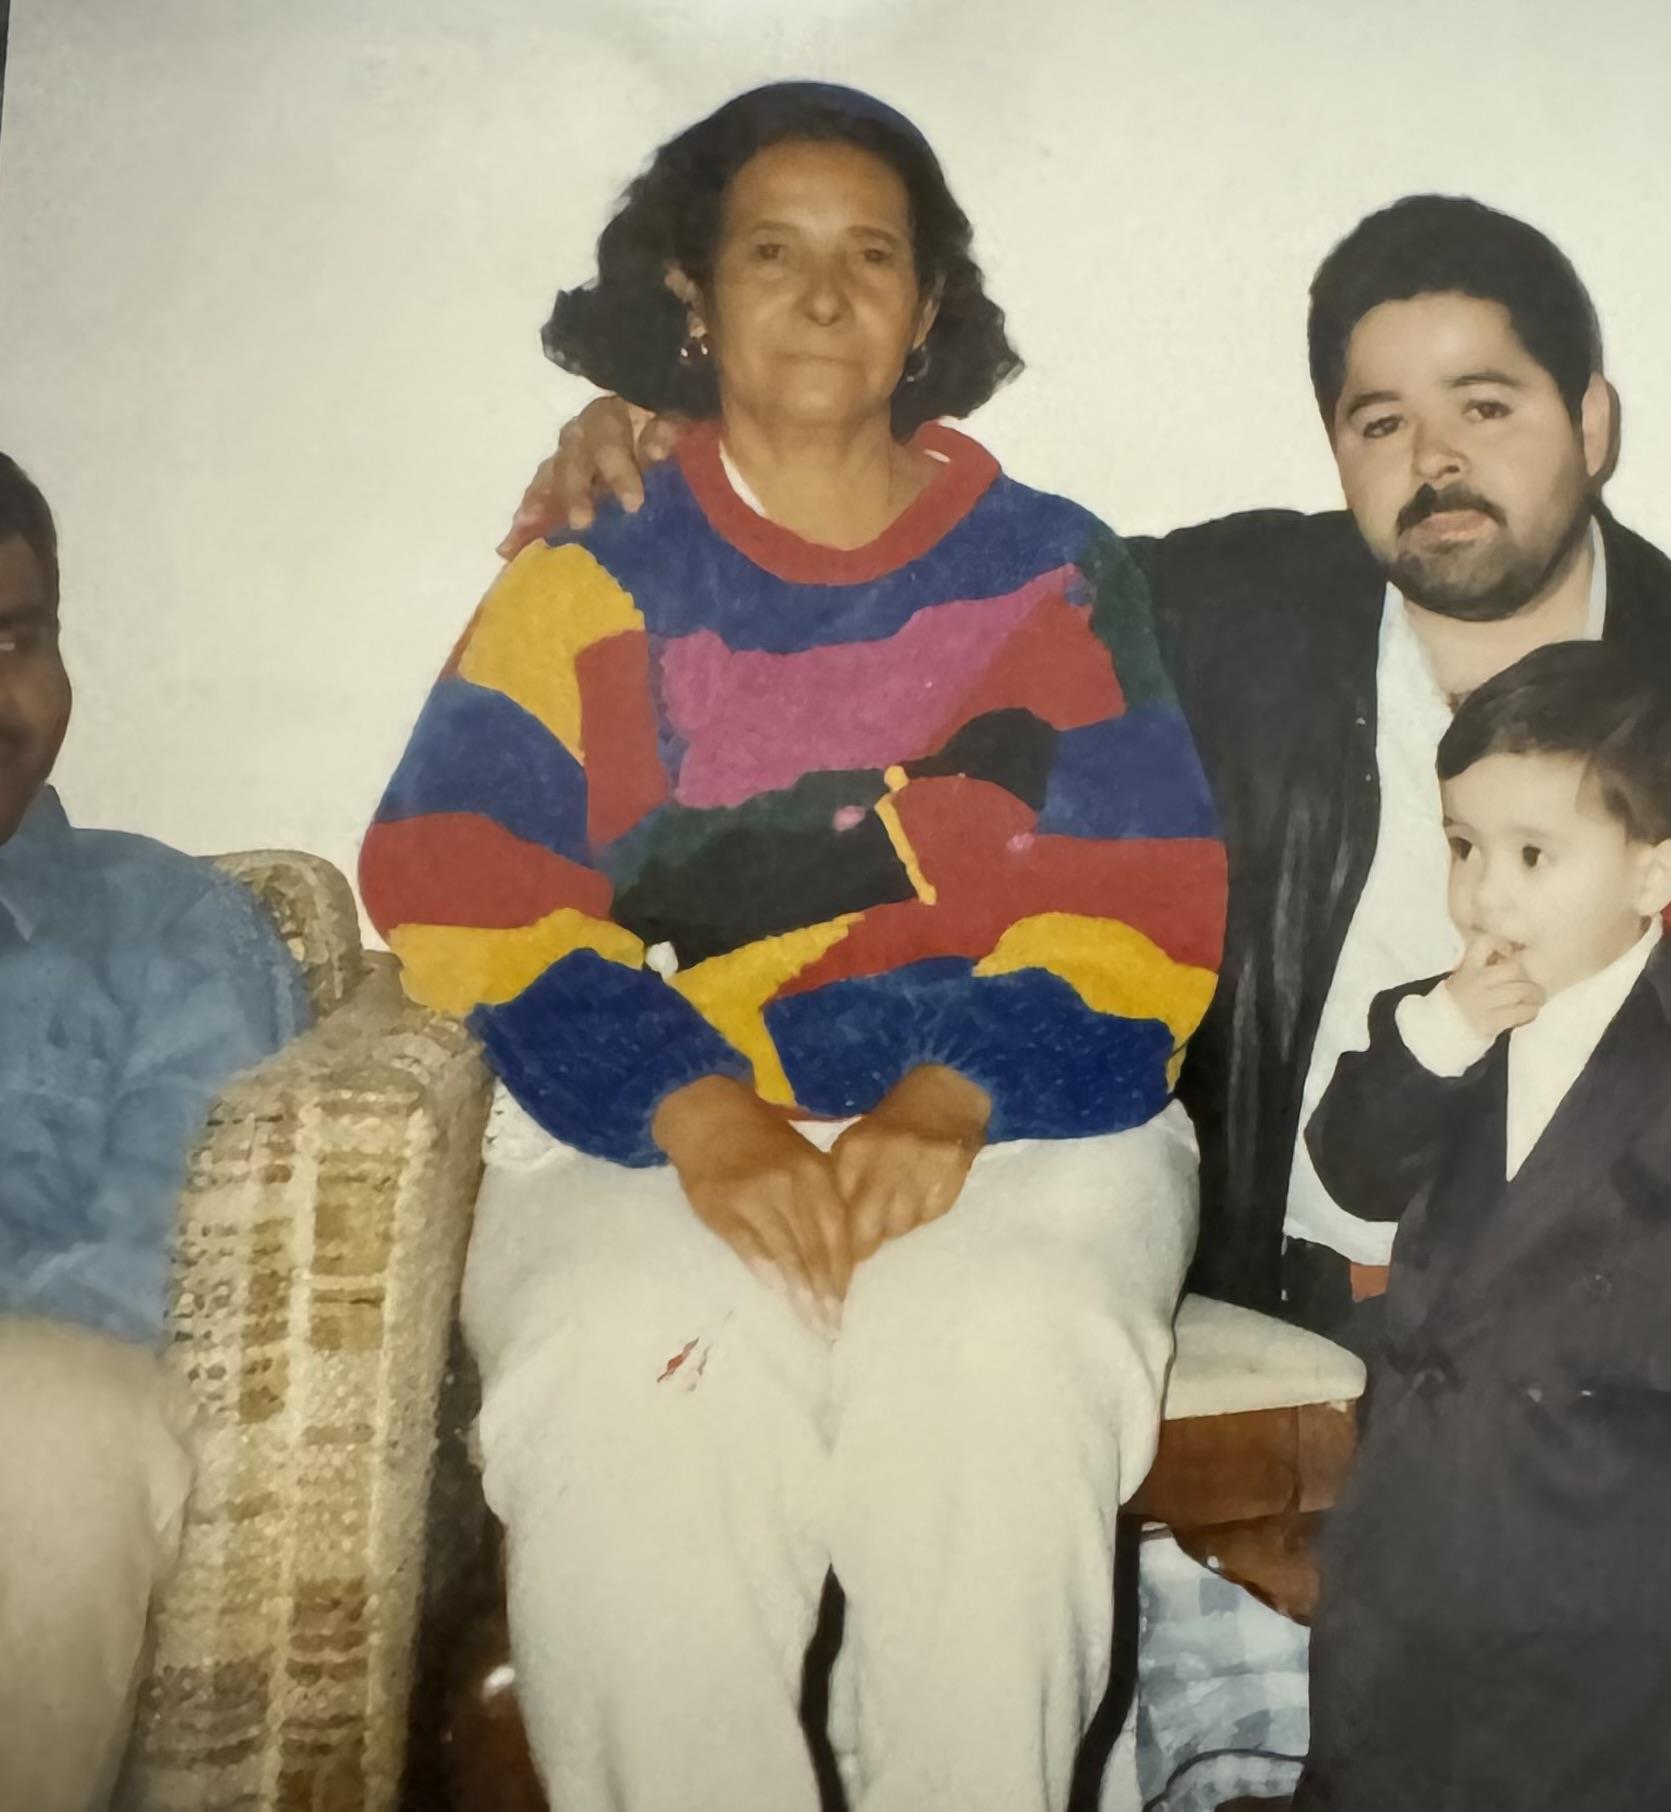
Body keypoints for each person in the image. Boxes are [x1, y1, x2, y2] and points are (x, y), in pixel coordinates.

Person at [503, 192, 1671, 1809]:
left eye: (1487, 404)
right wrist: (709, 459)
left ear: (1592, 425)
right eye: (1379, 419)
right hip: (1305, 1266)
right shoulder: (1204, 612)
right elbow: (908, 596)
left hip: (1651, 1263)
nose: (1432, 458)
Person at [360, 84, 1223, 1812]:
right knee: (633, 1382)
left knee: (987, 1359)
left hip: (1024, 1111)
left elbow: (1146, 894)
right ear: (695, 296)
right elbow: (459, 873)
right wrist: (694, 1107)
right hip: (651, 1115)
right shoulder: (595, 567)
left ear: (925, 311)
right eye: (773, 251)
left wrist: (955, 1089)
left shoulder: (1054, 570)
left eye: (870, 257)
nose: (824, 295)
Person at [1291, 642, 1671, 1811]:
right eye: (1462, 848)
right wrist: (1437, 1042)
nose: (1483, 894)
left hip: (1613, 1513)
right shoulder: (1433, 1024)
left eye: (1531, 856)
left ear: (1650, 875)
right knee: (1389, 1756)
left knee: (1590, 1768)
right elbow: (1351, 1170)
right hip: (1423, 1504)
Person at [0, 450, 308, 1812]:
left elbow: (149, 1261)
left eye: (21, 639)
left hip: (31, 1399)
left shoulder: (165, 928)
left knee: (48, 1425)